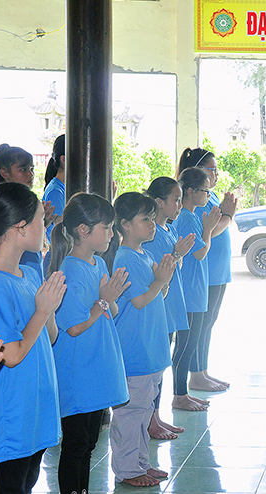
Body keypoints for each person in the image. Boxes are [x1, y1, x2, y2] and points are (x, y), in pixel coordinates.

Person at [48, 193, 131, 494]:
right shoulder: (70, 270)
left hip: (95, 369)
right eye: (106, 227)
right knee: (76, 445)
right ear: (83, 230)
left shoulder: (97, 264)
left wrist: (110, 299)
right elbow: (73, 328)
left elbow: (111, 309)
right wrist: (103, 301)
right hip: (78, 372)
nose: (111, 233)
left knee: (90, 444)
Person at [0, 182, 66, 494]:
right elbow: (11, 354)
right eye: (41, 220)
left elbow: (51, 336)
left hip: (36, 410)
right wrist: (42, 310)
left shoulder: (31, 274)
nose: (45, 226)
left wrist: (49, 310)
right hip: (9, 420)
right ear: (20, 228)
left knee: (26, 484)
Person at [105, 192, 176, 487]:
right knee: (131, 413)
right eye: (144, 219)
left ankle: (140, 463)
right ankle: (127, 469)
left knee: (144, 410)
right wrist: (160, 280)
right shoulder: (125, 257)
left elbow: (157, 295)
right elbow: (139, 301)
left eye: (152, 218)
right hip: (136, 350)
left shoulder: (143, 255)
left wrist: (163, 281)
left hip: (151, 347)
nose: (151, 224)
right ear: (124, 224)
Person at [144, 177, 201, 440]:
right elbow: (158, 271)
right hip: (159, 306)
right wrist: (177, 254)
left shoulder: (167, 229)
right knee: (154, 368)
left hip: (170, 303)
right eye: (175, 200)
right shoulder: (152, 233)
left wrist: (178, 254)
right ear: (159, 202)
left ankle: (155, 416)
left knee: (161, 365)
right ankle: (150, 419)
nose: (179, 205)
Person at [178, 147, 237, 392]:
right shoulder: (195, 200)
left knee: (208, 323)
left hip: (217, 270)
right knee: (199, 326)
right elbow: (210, 230)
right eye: (212, 169)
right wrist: (228, 216)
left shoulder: (208, 196)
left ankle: (202, 370)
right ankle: (195, 374)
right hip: (206, 271)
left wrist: (225, 214)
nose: (216, 174)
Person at [172, 168, 222, 410]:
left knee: (190, 343)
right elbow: (200, 252)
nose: (208, 196)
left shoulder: (190, 216)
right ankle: (179, 395)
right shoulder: (186, 217)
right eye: (205, 191)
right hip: (189, 293)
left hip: (195, 291)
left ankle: (183, 393)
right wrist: (208, 229)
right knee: (185, 345)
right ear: (190, 192)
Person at [0, 143, 48, 281]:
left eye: (31, 169)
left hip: (27, 277)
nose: (30, 174)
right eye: (23, 169)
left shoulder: (30, 274)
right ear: (4, 173)